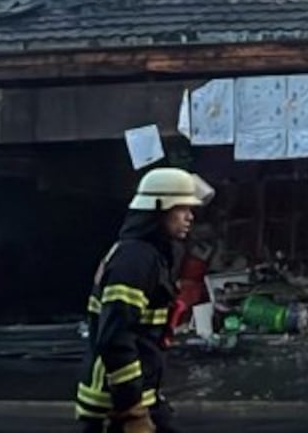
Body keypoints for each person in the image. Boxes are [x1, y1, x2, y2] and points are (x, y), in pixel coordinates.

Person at [75, 167, 214, 433]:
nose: (190, 217)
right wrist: (131, 408)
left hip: (140, 395)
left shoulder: (150, 255)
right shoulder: (135, 260)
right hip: (113, 402)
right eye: (181, 208)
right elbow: (115, 336)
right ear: (159, 210)